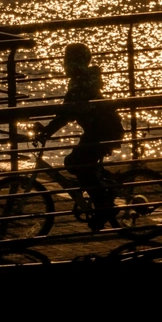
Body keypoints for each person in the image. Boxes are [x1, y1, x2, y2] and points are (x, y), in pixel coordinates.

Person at [34, 43, 124, 230]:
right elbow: (67, 112)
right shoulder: (82, 80)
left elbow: (66, 113)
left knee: (78, 164)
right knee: (73, 162)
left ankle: (103, 205)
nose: (65, 64)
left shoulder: (80, 84)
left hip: (104, 131)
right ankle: (104, 183)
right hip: (98, 130)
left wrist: (47, 131)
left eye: (67, 60)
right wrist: (48, 130)